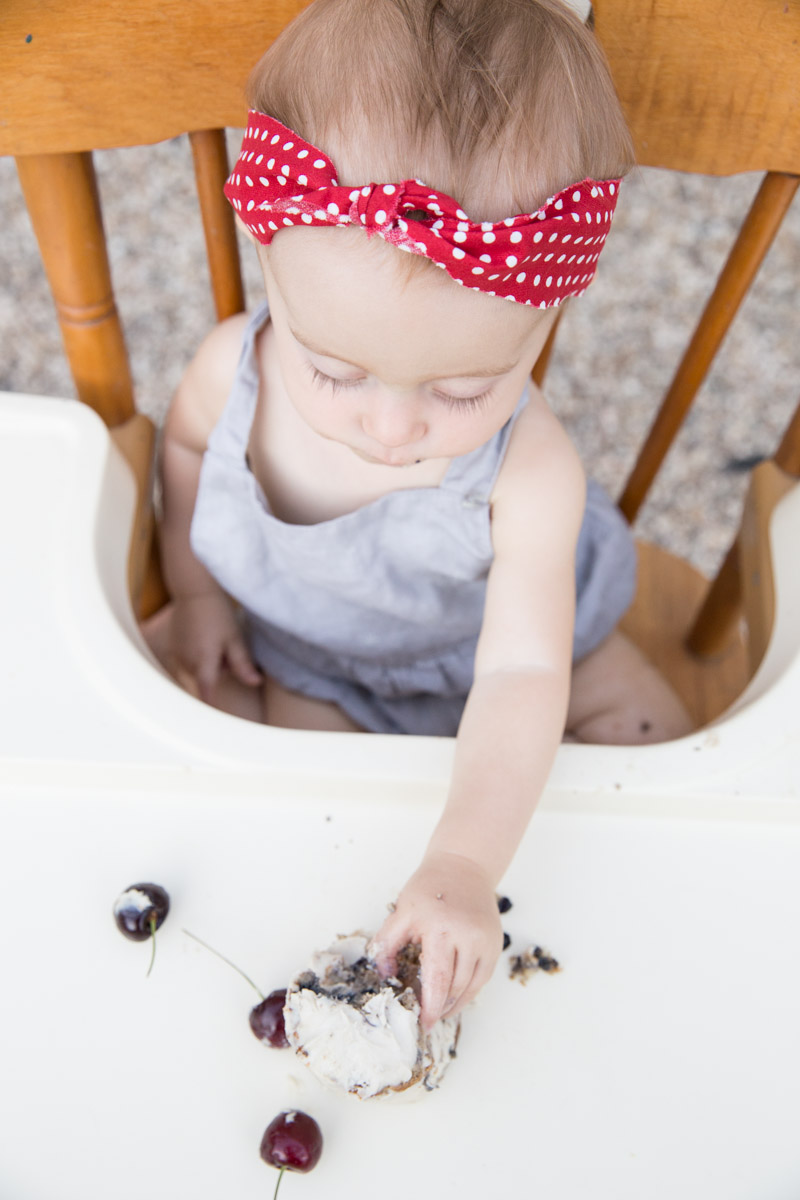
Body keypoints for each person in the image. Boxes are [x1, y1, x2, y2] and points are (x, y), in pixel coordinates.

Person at [146, 0, 692, 1030]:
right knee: (322, 844)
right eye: (334, 368)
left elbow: (526, 671)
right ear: (272, 268)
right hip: (309, 663)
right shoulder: (232, 372)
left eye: (460, 390)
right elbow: (180, 450)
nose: (391, 426)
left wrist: (464, 860)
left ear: (542, 320)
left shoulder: (529, 472)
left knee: (661, 780)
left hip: (522, 652)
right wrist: (195, 591)